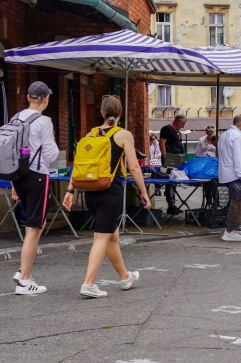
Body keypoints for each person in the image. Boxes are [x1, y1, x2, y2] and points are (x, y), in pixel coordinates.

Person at [63, 95, 150, 298]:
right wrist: (143, 192)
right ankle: (89, 283)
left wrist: (70, 190)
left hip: (90, 191)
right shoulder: (123, 135)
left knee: (112, 235)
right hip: (111, 191)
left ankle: (125, 276)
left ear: (102, 113)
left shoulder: (90, 134)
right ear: (120, 113)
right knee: (101, 236)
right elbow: (134, 167)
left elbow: (78, 167)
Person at [10, 81, 59, 295]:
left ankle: (23, 270)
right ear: (46, 99)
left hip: (18, 175)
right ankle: (24, 281)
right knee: (33, 228)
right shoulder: (43, 122)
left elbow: (11, 153)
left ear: (28, 97)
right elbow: (51, 155)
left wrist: (13, 183)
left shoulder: (15, 118)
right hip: (37, 175)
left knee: (35, 223)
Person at [217, 115, 241, 242]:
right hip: (235, 174)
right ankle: (229, 231)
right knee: (238, 202)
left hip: (227, 173)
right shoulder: (237, 136)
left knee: (236, 201)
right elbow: (239, 158)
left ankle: (234, 228)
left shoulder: (224, 134)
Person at [160, 115, 187, 215]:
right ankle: (170, 204)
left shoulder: (177, 132)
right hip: (170, 160)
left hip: (177, 160)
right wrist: (165, 156)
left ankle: (173, 204)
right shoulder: (166, 129)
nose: (183, 126)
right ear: (178, 121)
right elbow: (162, 143)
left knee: (174, 182)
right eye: (183, 124)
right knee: (170, 182)